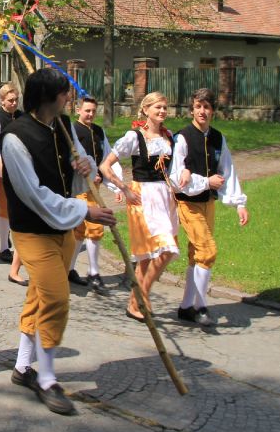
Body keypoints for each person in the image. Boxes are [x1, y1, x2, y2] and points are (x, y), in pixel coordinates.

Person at [2, 69, 117, 416]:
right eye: (65, 93)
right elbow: (34, 195)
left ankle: (23, 367)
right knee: (55, 297)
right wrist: (84, 212)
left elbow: (80, 172)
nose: (70, 98)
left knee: (39, 296)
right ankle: (47, 379)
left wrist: (84, 166)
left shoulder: (64, 127)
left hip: (62, 230)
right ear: (48, 97)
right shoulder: (15, 137)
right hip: (32, 231)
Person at [169, 88, 250, 326]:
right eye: (198, 107)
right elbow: (176, 178)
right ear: (191, 110)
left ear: (213, 110)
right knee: (207, 251)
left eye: (206, 107)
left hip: (208, 203)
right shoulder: (182, 138)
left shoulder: (218, 138)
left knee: (197, 254)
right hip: (188, 203)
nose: (202, 111)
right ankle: (201, 306)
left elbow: (227, 170)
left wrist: (239, 203)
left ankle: (186, 307)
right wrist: (206, 182)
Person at [99, 91, 180, 322]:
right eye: (157, 107)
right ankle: (142, 297)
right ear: (145, 110)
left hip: (165, 197)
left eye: (164, 107)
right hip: (143, 196)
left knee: (147, 257)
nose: (162, 111)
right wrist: (124, 189)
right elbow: (105, 166)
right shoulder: (134, 137)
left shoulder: (168, 136)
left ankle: (134, 303)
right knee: (166, 250)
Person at [69, 97, 123, 294]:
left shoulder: (99, 131)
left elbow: (107, 157)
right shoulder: (73, 130)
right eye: (87, 111)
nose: (91, 114)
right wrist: (87, 174)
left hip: (96, 187)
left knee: (82, 230)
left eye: (93, 110)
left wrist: (116, 186)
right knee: (94, 227)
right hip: (80, 187)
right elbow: (71, 159)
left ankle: (70, 269)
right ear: (78, 110)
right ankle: (93, 273)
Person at [0, 83, 26, 283]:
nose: (14, 103)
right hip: (2, 169)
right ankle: (3, 248)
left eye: (16, 100)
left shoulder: (21, 116)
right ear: (2, 100)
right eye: (10, 100)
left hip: (21, 168)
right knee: (5, 207)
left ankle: (20, 246)